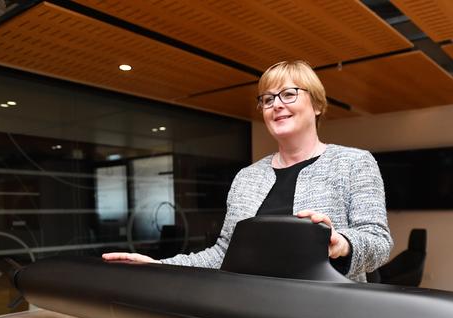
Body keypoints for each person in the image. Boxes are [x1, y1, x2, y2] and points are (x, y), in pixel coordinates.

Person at [103, 60, 392, 282]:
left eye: (288, 94)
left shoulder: (354, 163)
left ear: (316, 104)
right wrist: (158, 266)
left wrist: (341, 244)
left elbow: (378, 243)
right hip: (255, 311)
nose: (276, 104)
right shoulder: (247, 177)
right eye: (267, 99)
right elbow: (223, 254)